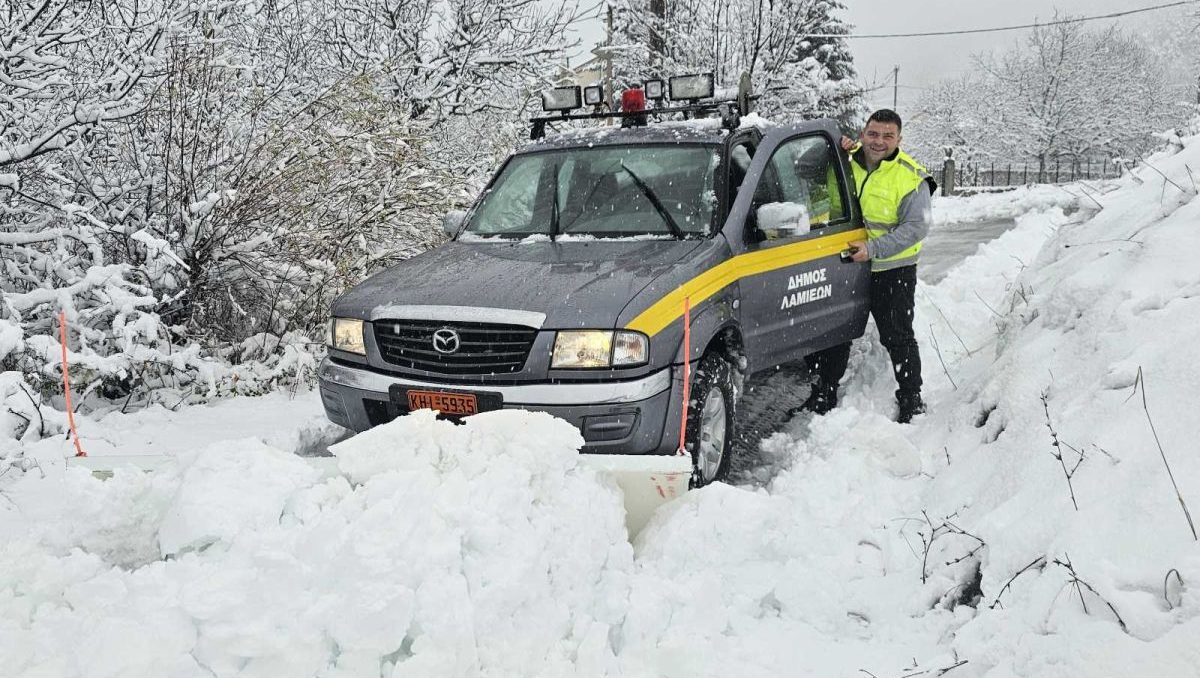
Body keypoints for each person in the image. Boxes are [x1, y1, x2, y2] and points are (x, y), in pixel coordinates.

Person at [792, 109, 935, 424]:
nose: (879, 141)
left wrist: (872, 249)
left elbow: (916, 228)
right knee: (832, 330)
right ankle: (824, 390)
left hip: (892, 269)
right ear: (862, 133)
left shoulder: (910, 176)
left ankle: (911, 396)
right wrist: (829, 147)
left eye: (887, 136)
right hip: (844, 264)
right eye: (873, 134)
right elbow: (801, 169)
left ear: (899, 139)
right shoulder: (845, 161)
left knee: (896, 334)